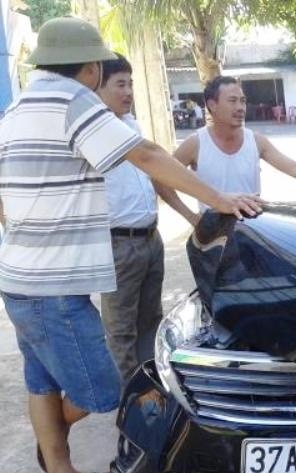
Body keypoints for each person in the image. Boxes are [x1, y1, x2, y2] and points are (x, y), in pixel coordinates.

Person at [0, 17, 262, 473]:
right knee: (99, 387)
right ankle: (54, 447)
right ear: (92, 67)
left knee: (41, 381)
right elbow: (142, 154)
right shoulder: (72, 99)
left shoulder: (17, 109)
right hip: (53, 284)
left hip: (18, 275)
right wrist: (218, 197)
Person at [97, 53, 200, 383]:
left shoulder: (130, 125)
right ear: (96, 87)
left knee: (151, 320)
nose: (128, 92)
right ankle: (131, 396)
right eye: (120, 84)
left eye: (131, 84)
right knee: (120, 327)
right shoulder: (95, 131)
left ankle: (151, 383)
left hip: (149, 238)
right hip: (118, 244)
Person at [171, 76, 296, 201]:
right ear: (212, 105)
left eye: (243, 101)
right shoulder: (196, 144)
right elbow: (162, 179)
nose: (240, 107)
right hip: (212, 235)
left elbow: (295, 169)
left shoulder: (256, 141)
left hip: (251, 228)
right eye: (232, 101)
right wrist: (191, 217)